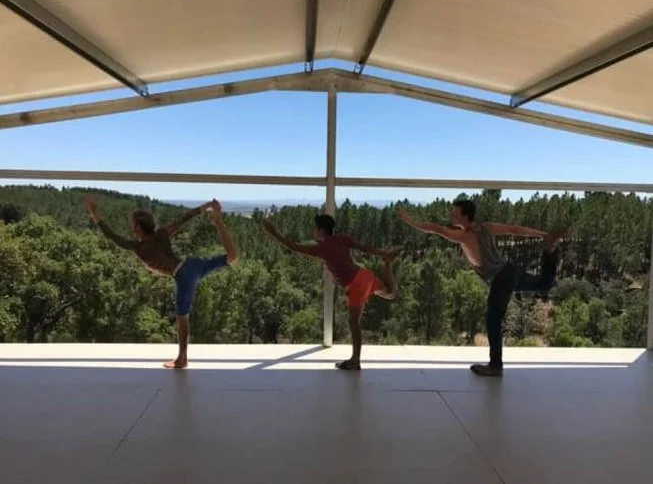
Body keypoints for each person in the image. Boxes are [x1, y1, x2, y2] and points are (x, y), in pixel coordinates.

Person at [398, 199, 565, 377]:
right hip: (509, 271)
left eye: (455, 213)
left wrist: (412, 222)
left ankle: (495, 365)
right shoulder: (486, 227)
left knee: (493, 320)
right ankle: (550, 251)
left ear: (465, 216)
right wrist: (543, 234)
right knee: (543, 284)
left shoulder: (464, 236)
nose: (451, 215)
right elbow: (514, 229)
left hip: (500, 279)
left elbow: (437, 229)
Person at [84, 195, 238, 369]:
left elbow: (110, 235)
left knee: (182, 317)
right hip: (191, 266)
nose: (131, 226)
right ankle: (218, 222)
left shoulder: (138, 247)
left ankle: (182, 359)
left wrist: (93, 212)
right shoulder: (162, 234)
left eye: (132, 224)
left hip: (183, 275)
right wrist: (207, 206)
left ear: (137, 227)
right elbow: (183, 219)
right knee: (231, 257)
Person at [261, 214, 400, 370]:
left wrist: (274, 233)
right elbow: (365, 248)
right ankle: (388, 263)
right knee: (390, 293)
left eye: (315, 227)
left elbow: (293, 246)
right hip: (364, 275)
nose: (313, 230)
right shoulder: (342, 238)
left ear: (321, 230)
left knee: (354, 322)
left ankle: (355, 360)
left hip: (356, 284)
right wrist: (385, 254)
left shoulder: (322, 248)